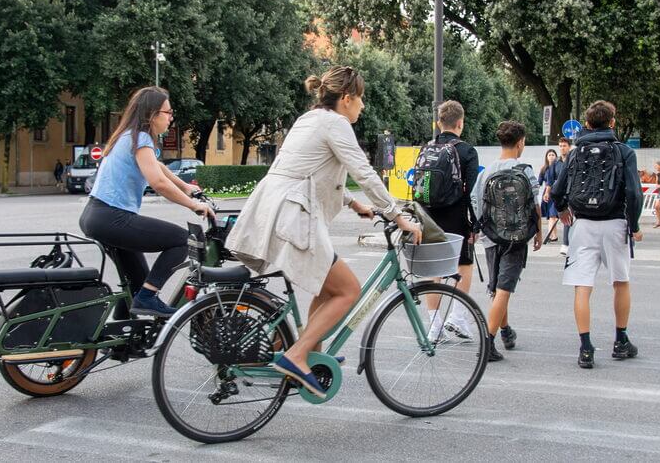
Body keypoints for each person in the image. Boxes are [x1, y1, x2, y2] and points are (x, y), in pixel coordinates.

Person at [225, 66, 423, 398]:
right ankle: (297, 355)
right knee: (348, 290)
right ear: (346, 99)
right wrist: (398, 215)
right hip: (294, 215)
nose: (362, 106)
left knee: (326, 285)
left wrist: (351, 203)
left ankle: (310, 350)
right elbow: (363, 171)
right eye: (360, 99)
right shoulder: (336, 123)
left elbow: (308, 169)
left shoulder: (309, 119)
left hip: (276, 209)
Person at [79, 86, 214, 318]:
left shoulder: (129, 135)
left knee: (137, 280)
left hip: (97, 216)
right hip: (112, 217)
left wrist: (185, 186)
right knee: (181, 240)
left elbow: (158, 167)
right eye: (167, 113)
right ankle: (148, 298)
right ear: (152, 115)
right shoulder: (140, 138)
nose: (171, 118)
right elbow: (158, 182)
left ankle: (121, 341)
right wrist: (193, 205)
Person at [550, 100, 643, 369]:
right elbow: (634, 193)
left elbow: (557, 190)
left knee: (582, 286)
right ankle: (621, 340)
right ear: (612, 122)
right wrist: (634, 225)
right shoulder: (624, 152)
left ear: (587, 125)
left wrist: (563, 210)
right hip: (615, 223)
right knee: (621, 281)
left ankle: (586, 348)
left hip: (583, 225)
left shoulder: (576, 153)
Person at [471, 121, 542, 361]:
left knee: (497, 289)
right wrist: (539, 232)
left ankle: (505, 330)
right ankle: (488, 343)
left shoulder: (486, 172)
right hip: (517, 238)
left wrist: (479, 232)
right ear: (520, 142)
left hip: (491, 237)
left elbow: (476, 203)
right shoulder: (526, 170)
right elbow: (535, 205)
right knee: (504, 289)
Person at [419, 100, 480, 341]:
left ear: (438, 123)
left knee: (434, 270)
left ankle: (434, 327)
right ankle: (457, 317)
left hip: (429, 216)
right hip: (456, 216)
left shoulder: (427, 147)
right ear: (460, 123)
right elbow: (472, 192)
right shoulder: (467, 151)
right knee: (463, 266)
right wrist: (475, 224)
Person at [544, 137, 572, 255]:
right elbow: (550, 180)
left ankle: (567, 243)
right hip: (558, 194)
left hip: (571, 193)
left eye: (564, 146)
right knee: (554, 216)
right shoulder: (555, 162)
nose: (562, 148)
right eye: (560, 146)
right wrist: (547, 192)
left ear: (569, 147)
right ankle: (562, 242)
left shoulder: (573, 160)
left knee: (570, 218)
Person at [538, 149, 559, 242]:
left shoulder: (559, 167)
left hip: (556, 193)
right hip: (547, 194)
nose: (551, 156)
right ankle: (554, 236)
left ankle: (550, 236)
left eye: (553, 155)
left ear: (556, 156)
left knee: (552, 215)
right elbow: (539, 182)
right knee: (551, 216)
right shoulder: (544, 169)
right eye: (549, 155)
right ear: (546, 157)